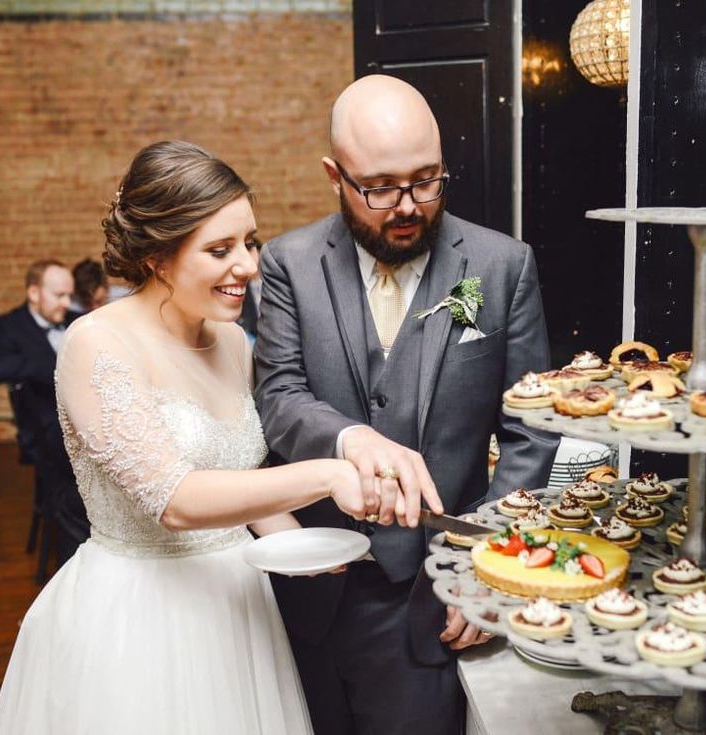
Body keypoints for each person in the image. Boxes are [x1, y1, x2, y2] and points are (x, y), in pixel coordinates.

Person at [0, 140, 436, 734]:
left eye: (249, 242)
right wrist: (330, 473)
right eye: (220, 249)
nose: (248, 266)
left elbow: (239, 477)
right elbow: (175, 500)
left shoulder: (228, 340)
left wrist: (298, 545)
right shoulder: (97, 344)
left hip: (237, 605)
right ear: (158, 257)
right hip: (140, 617)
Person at [254, 75, 559, 734]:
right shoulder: (287, 264)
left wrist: (487, 571)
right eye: (381, 186)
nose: (408, 205)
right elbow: (278, 395)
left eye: (427, 179)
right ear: (334, 175)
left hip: (433, 590)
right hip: (304, 586)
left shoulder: (503, 266)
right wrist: (349, 440)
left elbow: (531, 432)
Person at [0, 260, 87, 566]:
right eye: (59, 295)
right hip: (45, 432)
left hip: (84, 419)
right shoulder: (5, 327)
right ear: (33, 292)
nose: (67, 303)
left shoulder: (79, 321)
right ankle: (75, 562)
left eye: (70, 295)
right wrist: (60, 369)